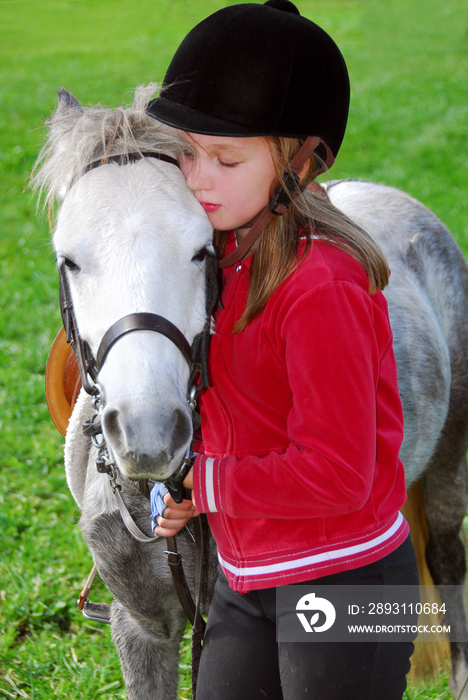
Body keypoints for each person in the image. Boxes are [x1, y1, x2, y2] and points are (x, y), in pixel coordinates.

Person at [147, 2, 419, 698]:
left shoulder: (321, 283)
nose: (197, 177)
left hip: (348, 573)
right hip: (251, 572)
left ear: (303, 158)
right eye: (185, 150)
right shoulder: (218, 260)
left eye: (225, 158)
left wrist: (207, 484)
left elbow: (336, 474)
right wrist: (190, 488)